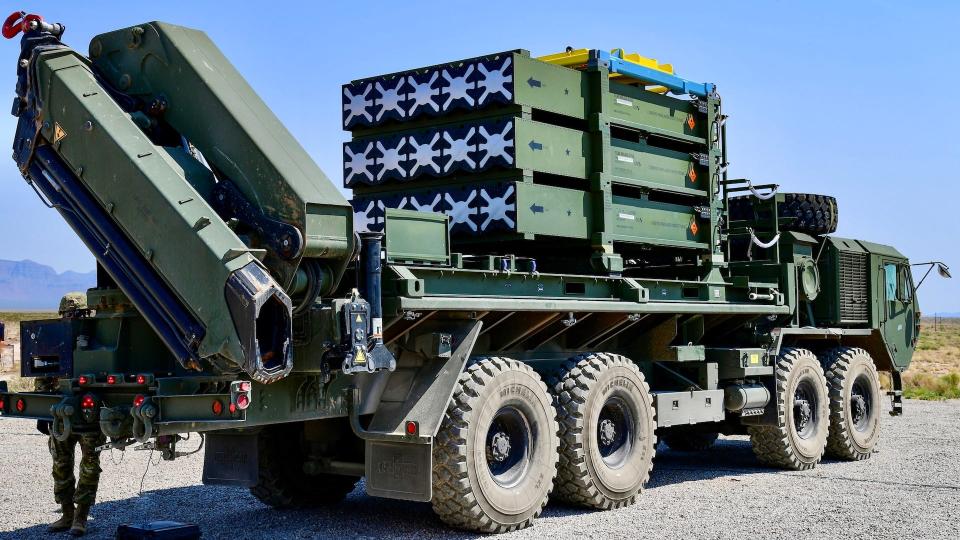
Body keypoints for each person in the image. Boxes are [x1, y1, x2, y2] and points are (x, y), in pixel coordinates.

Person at [43, 292, 105, 537]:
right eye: (68, 314)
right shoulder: (55, 340)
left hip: (88, 415)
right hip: (61, 416)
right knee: (60, 465)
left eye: (77, 313)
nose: (71, 318)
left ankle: (81, 517)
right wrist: (44, 411)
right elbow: (44, 375)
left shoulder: (98, 339)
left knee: (89, 466)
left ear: (86, 314)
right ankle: (67, 514)